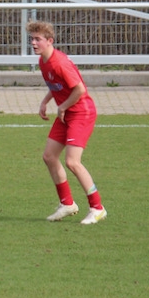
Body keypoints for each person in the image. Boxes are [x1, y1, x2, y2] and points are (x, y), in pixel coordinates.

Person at [27, 20, 107, 225]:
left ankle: (97, 208)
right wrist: (45, 101)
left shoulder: (60, 62)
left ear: (50, 41)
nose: (33, 43)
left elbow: (79, 89)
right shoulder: (43, 61)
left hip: (81, 113)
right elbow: (56, 85)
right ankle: (67, 204)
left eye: (37, 39)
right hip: (66, 113)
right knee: (49, 156)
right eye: (32, 39)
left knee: (72, 162)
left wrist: (62, 107)